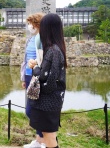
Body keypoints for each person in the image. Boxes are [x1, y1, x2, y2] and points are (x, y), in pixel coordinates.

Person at [28, 13, 67, 148]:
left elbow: (49, 82)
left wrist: (35, 69)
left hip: (48, 102)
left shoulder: (53, 51)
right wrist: (39, 69)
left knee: (50, 139)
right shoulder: (53, 49)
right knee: (49, 137)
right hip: (49, 102)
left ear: (48, 29)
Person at [20, 12, 45, 148]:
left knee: (33, 110)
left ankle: (44, 139)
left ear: (38, 24)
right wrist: (24, 77)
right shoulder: (31, 39)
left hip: (38, 77)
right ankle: (39, 140)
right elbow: (25, 60)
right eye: (28, 24)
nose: (30, 26)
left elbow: (44, 59)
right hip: (30, 76)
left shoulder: (43, 39)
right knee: (32, 110)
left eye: (31, 24)